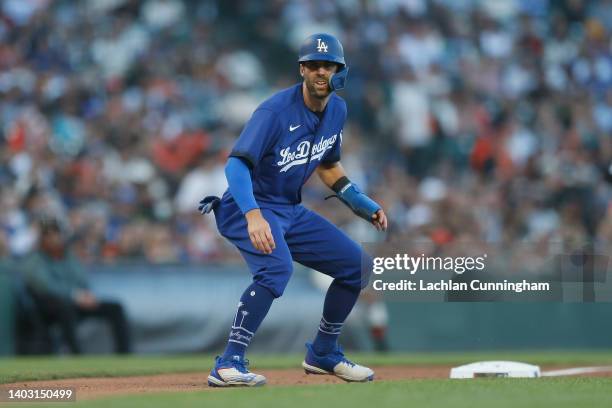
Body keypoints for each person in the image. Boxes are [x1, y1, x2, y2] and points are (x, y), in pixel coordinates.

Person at [199, 33, 387, 387]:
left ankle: (324, 353)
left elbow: (329, 166)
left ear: (339, 71)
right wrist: (253, 214)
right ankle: (228, 362)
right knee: (276, 269)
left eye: (327, 65)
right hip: (248, 205)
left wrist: (361, 203)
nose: (320, 72)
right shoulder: (274, 111)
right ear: (302, 70)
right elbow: (236, 166)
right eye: (313, 65)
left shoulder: (338, 110)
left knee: (357, 265)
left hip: (288, 209)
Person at [22, 217, 131, 354]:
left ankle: (124, 354)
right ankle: (76, 354)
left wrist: (85, 294)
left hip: (77, 302)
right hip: (49, 308)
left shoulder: (68, 256)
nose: (54, 238)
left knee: (115, 307)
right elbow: (45, 286)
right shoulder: (34, 259)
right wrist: (74, 295)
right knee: (64, 307)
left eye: (56, 234)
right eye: (49, 235)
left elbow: (81, 279)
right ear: (42, 238)